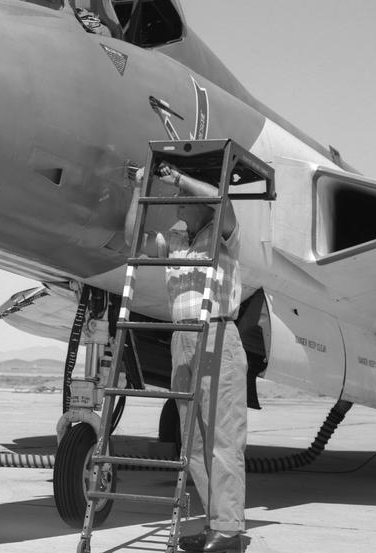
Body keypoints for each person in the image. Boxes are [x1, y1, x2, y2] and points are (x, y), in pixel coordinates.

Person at [141, 161, 248, 553]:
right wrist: (141, 191)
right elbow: (133, 240)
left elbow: (223, 201)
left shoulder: (224, 234)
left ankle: (230, 531)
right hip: (181, 338)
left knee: (223, 438)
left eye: (183, 200)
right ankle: (215, 522)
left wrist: (181, 179)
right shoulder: (176, 240)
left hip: (217, 333)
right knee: (194, 443)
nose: (176, 205)